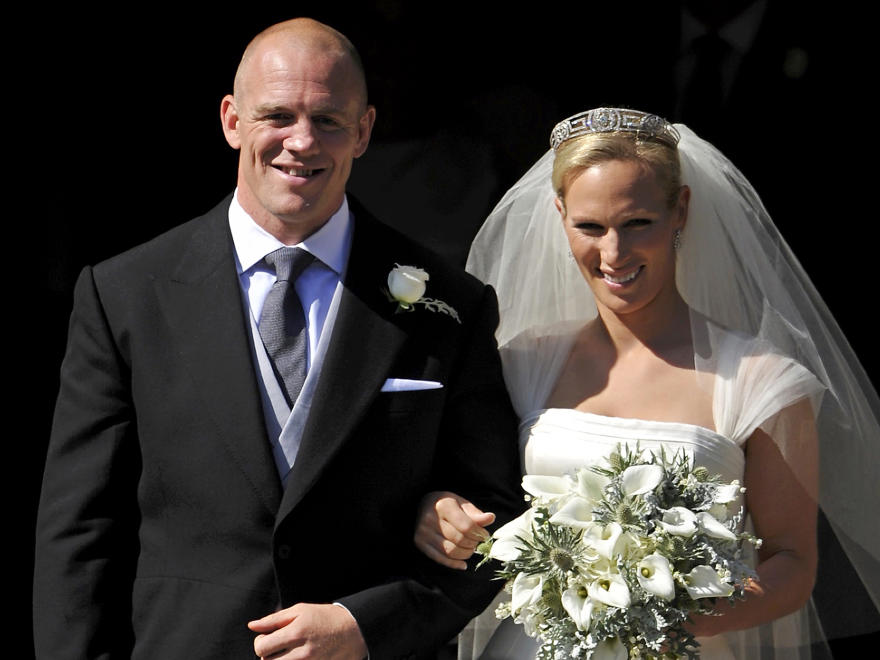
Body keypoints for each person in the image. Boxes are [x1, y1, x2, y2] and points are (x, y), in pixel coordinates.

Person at [34, 17, 524, 659]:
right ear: (232, 120)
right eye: (278, 116)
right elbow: (81, 528)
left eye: (328, 120)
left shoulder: (448, 305)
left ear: (365, 130)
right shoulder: (126, 293)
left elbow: (500, 519)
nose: (301, 141)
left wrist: (368, 626)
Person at [414, 108, 880, 658]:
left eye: (638, 222)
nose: (614, 254)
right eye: (590, 227)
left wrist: (674, 607)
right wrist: (438, 510)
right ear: (560, 215)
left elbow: (792, 562)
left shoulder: (762, 382)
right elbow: (473, 494)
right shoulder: (520, 362)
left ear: (680, 210)